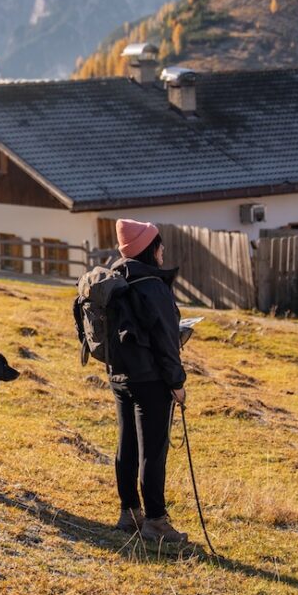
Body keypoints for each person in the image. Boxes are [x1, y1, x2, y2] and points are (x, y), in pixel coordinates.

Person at [107, 218, 188, 545]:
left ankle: (129, 513)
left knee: (127, 445)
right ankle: (155, 521)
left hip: (119, 376)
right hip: (151, 380)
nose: (163, 249)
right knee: (152, 451)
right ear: (149, 249)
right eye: (159, 244)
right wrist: (177, 383)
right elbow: (165, 342)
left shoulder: (116, 279)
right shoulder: (153, 286)